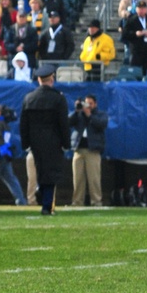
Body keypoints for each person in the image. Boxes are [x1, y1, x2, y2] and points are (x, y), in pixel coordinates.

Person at [19, 64, 70, 214]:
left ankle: (41, 194)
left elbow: (24, 124)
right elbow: (63, 123)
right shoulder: (58, 98)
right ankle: (47, 203)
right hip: (53, 141)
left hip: (35, 141)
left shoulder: (29, 98)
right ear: (52, 79)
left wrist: (26, 143)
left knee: (40, 170)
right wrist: (66, 143)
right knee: (51, 173)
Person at [69, 95, 108, 206]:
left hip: (93, 150)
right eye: (86, 103)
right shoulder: (79, 115)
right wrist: (77, 111)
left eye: (90, 103)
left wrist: (89, 115)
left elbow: (101, 124)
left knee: (94, 178)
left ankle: (96, 201)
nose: (88, 106)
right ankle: (77, 202)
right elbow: (68, 122)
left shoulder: (100, 114)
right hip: (78, 149)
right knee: (78, 179)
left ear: (95, 104)